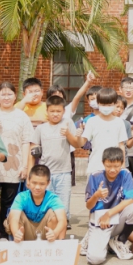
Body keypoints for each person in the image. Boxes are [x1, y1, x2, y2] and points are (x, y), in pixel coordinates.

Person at [83, 147, 133, 264]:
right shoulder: (95, 176)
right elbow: (89, 206)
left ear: (121, 163)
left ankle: (119, 241)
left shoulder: (125, 174)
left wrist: (109, 214)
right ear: (103, 163)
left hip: (116, 218)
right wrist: (96, 195)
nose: (112, 170)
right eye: (108, 166)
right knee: (96, 259)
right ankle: (91, 237)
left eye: (116, 166)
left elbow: (130, 199)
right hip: (100, 221)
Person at [0, 81, 32, 238]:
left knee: (9, 203)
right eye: (3, 94)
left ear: (15, 96)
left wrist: (25, 166)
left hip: (14, 166)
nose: (6, 97)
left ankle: (4, 233)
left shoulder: (22, 116)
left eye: (9, 94)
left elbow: (26, 142)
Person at [30, 95, 83, 223]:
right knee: (45, 204)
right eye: (52, 111)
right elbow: (33, 150)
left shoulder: (67, 123)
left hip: (64, 172)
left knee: (63, 205)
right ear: (47, 111)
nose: (55, 114)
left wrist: (68, 134)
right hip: (45, 174)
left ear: (63, 111)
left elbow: (77, 144)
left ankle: (62, 228)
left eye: (58, 111)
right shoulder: (41, 128)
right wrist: (30, 173)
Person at [7, 164, 67, 242]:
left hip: (46, 233)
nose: (37, 187)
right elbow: (14, 218)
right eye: (34, 183)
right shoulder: (21, 197)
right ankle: (20, 246)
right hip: (25, 231)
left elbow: (62, 220)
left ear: (48, 183)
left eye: (42, 184)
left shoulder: (53, 198)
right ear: (28, 180)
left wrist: (55, 233)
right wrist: (16, 233)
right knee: (17, 216)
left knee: (54, 216)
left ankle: (53, 246)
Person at [80, 87, 128, 176]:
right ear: (98, 103)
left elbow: (121, 145)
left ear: (114, 104)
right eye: (103, 104)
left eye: (109, 105)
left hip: (114, 169)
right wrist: (78, 136)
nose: (106, 108)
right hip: (95, 167)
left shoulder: (119, 122)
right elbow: (82, 142)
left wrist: (122, 166)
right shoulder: (92, 121)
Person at [119, 77, 133, 175]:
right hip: (118, 152)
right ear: (120, 89)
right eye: (126, 87)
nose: (128, 90)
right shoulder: (115, 108)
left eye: (131, 88)